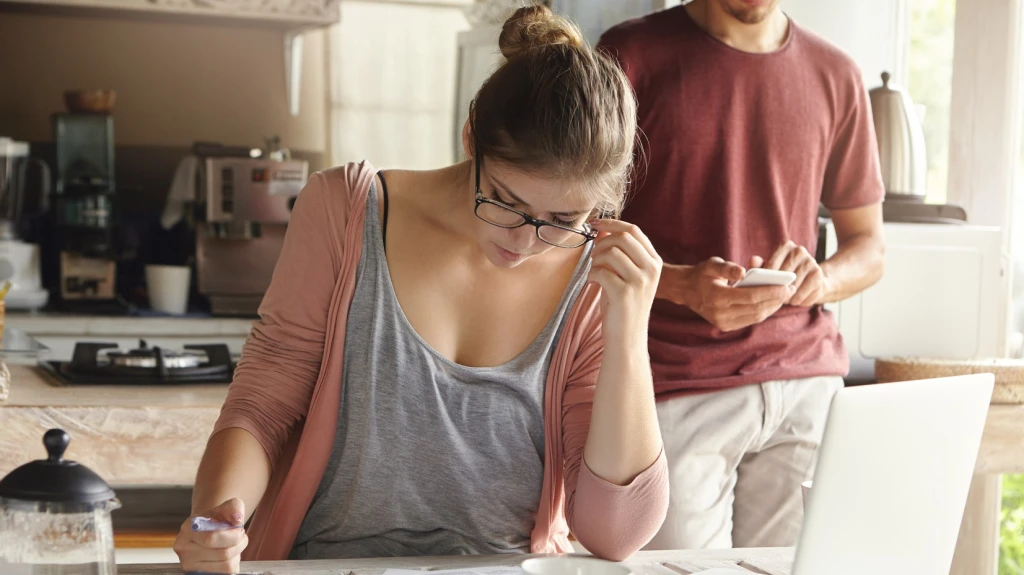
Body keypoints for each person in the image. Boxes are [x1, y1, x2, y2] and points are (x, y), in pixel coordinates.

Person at [173, 5, 669, 573]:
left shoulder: (591, 276)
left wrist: (629, 330)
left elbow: (615, 535)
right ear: (469, 137)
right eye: (505, 201)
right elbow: (263, 407)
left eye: (562, 217)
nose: (526, 241)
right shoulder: (344, 212)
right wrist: (216, 523)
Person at [597, 0, 886, 550]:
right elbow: (572, 232)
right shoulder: (627, 58)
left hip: (807, 386)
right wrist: (682, 284)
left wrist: (820, 280)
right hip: (674, 384)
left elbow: (870, 247)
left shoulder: (837, 75)